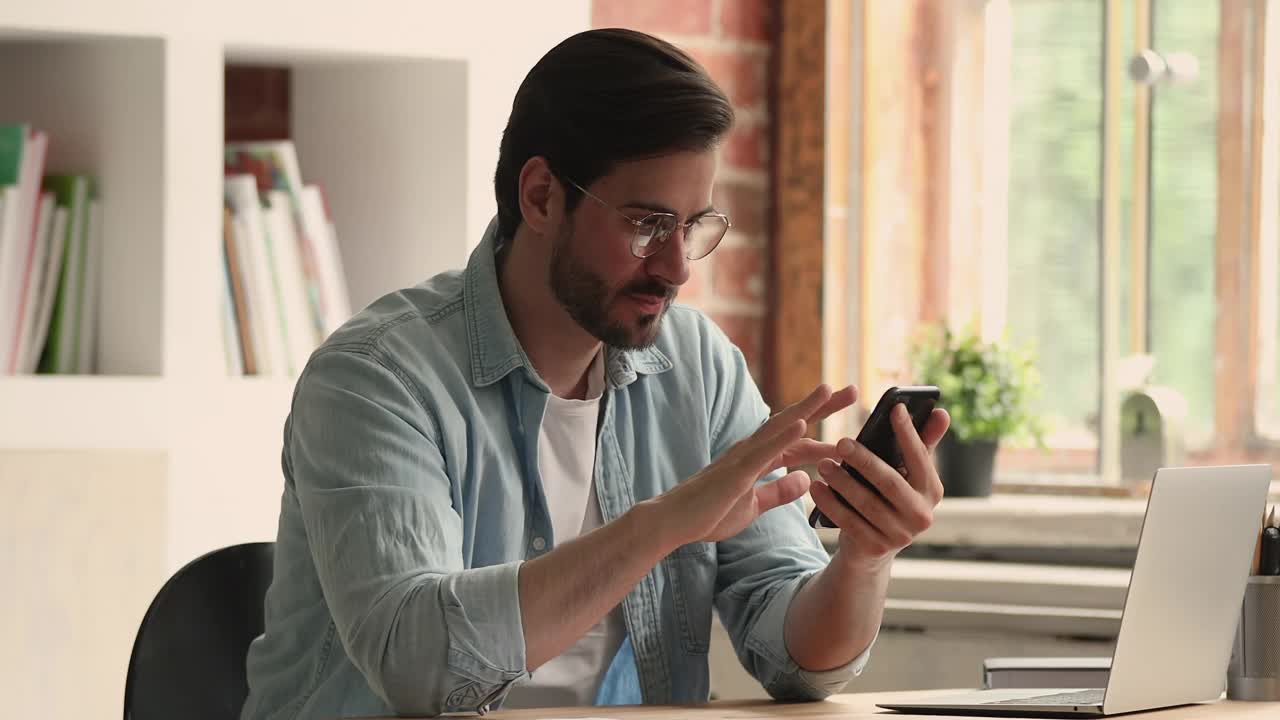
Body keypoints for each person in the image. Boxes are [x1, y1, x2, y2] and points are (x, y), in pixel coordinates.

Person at [240, 28, 950, 720]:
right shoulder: (375, 378)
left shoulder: (696, 368)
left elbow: (795, 661)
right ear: (543, 196)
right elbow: (419, 667)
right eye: (647, 225)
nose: (676, 268)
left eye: (694, 227)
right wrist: (662, 525)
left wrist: (862, 558)